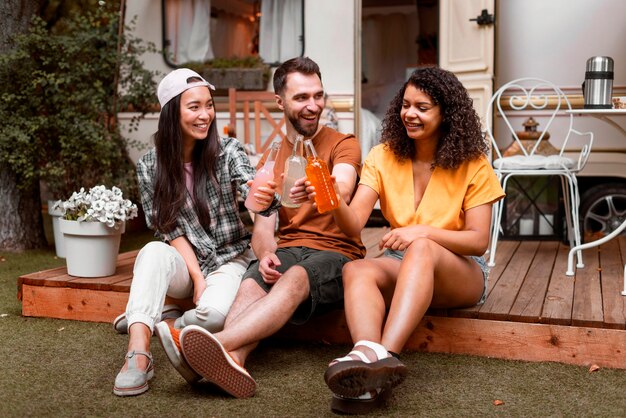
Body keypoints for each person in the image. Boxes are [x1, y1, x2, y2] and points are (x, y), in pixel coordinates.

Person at [157, 56, 366, 398]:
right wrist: (267, 253)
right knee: (253, 280)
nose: (313, 105)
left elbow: (342, 186)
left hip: (337, 254)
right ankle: (233, 359)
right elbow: (263, 228)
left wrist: (319, 187)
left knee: (297, 276)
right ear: (281, 102)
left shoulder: (344, 143)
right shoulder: (273, 156)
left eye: (318, 95)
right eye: (301, 98)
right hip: (290, 249)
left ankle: (206, 346)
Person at [314, 66, 505, 414]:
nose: (409, 114)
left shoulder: (473, 163)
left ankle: (384, 356)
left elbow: (479, 242)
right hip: (404, 266)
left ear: (446, 113)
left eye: (422, 106)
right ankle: (367, 364)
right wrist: (332, 199)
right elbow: (353, 224)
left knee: (422, 247)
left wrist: (422, 232)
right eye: (405, 105)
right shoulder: (382, 157)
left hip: (460, 272)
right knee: (357, 270)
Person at [112, 68, 277, 397]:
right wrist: (198, 281)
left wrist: (260, 196)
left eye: (209, 105)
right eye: (194, 107)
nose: (205, 115)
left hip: (230, 258)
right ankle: (139, 352)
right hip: (186, 263)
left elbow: (251, 188)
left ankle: (150, 316)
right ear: (172, 112)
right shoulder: (149, 165)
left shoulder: (228, 150)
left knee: (215, 317)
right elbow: (168, 229)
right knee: (152, 252)